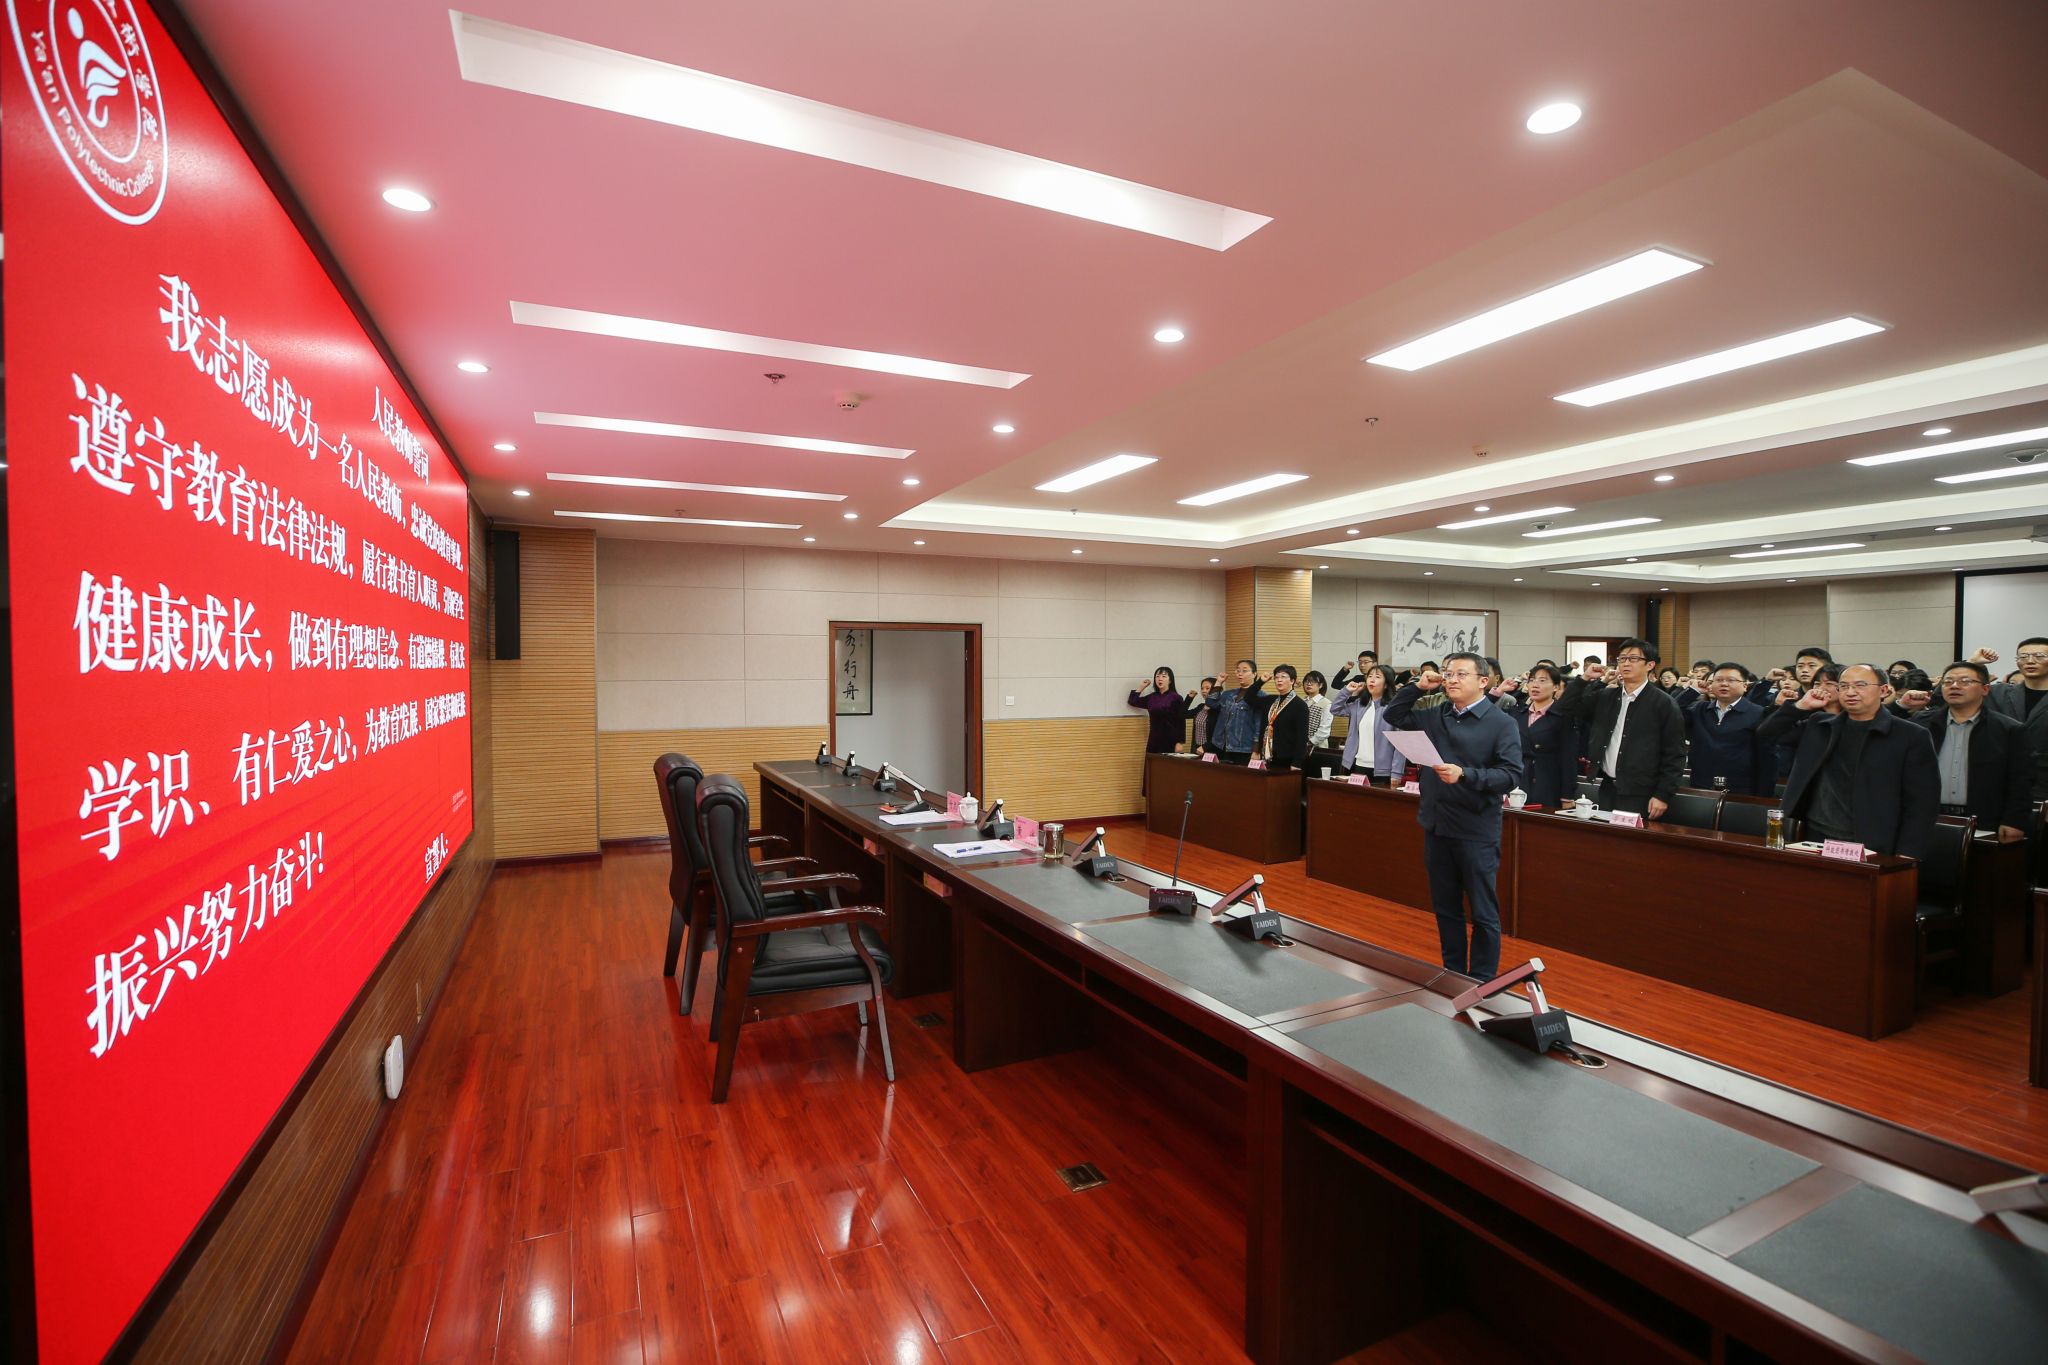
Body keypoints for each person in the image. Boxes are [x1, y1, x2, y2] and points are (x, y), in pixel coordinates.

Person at [1383, 653, 1523, 979]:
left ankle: (1482, 980)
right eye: (1448, 674)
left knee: (1483, 911)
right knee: (1446, 908)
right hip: (1437, 823)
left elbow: (1510, 775)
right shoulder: (1437, 714)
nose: (1452, 679)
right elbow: (1394, 714)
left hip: (1476, 828)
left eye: (1461, 674)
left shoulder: (1501, 723)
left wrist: (1465, 774)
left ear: (1483, 681)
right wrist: (1418, 687)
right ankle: (1453, 974)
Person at [1759, 663, 1937, 857]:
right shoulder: (1821, 724)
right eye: (1843, 686)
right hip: (1815, 833)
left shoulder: (1910, 735)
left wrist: (1908, 852)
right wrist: (1799, 706)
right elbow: (1766, 734)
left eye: (1860, 685)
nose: (1850, 692)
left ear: (1884, 690)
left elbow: (1922, 801)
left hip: (1872, 839)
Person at [1903, 661, 2033, 841]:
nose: (1954, 686)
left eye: (1965, 681)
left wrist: (2014, 820)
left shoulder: (2008, 729)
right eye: (1948, 682)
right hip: (1926, 817)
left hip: (1985, 820)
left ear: (1985, 689)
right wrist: (1901, 705)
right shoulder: (1922, 724)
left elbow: (2021, 781)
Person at [1580, 637, 1686, 817]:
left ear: (1650, 665)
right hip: (1608, 786)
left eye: (1633, 659)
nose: (1626, 663)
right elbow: (1569, 708)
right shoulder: (1607, 696)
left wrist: (1663, 795)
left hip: (1642, 793)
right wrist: (1588, 679)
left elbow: (1675, 754)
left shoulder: (1664, 703)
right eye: (1622, 659)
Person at [1969, 639, 2048, 800]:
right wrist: (1973, 663)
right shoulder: (1998, 693)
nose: (2030, 661)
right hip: (1999, 784)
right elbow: (1944, 700)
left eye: (2039, 656)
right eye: (2023, 656)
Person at [1676, 662, 1770, 794]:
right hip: (1701, 783)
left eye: (1731, 680)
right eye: (1718, 680)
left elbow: (1767, 755)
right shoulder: (1700, 709)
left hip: (1741, 787)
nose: (1724, 684)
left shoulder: (1758, 713)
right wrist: (1693, 691)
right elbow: (1671, 713)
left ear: (1745, 686)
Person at [1514, 663, 1588, 808]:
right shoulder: (1518, 714)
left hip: (1548, 785)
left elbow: (1569, 758)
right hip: (1519, 785)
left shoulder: (1563, 716)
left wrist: (1567, 796)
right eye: (1532, 680)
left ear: (1555, 687)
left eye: (1542, 681)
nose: (1535, 685)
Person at [1332, 663, 1396, 781]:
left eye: (1377, 677)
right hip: (1358, 764)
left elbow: (1399, 746)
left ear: (1386, 684)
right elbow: (1335, 709)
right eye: (1370, 676)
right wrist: (1347, 691)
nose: (1372, 679)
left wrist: (1397, 774)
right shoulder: (1359, 704)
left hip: (1383, 770)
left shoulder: (1393, 709)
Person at [1204, 659, 1267, 765]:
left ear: (1254, 674)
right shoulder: (1228, 694)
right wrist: (1219, 682)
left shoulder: (1260, 696)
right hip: (1221, 745)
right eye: (1238, 671)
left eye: (1244, 671)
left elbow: (1259, 725)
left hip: (1243, 748)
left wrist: (1256, 750)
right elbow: (1210, 702)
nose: (1240, 673)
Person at [1259, 665, 1313, 770]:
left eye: (1283, 677)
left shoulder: (1300, 705)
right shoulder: (1272, 700)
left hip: (1288, 758)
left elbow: (1302, 737)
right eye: (1276, 677)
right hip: (1269, 755)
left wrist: (1297, 763)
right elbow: (1249, 698)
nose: (1279, 680)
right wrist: (1261, 681)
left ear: (1292, 681)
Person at [1127, 667, 1187, 756]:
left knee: (1168, 764)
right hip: (1153, 739)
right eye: (1157, 676)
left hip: (1171, 739)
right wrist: (1142, 687)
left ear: (1170, 680)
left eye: (1164, 676)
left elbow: (1181, 721)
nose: (1160, 679)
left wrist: (1180, 742)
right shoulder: (1152, 697)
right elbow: (1133, 701)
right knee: (1152, 762)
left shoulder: (1176, 698)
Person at [1301, 669, 1334, 768]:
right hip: (1301, 747)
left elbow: (1324, 730)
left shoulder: (1326, 703)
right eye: (1306, 681)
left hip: (1318, 748)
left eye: (1313, 681)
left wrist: (1310, 742)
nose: (1309, 684)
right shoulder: (1302, 701)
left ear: (1321, 685)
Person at [1187, 676, 1218, 752]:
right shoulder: (1201, 707)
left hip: (1211, 750)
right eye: (1202, 688)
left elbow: (1219, 735)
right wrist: (1189, 698)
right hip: (1197, 749)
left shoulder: (1219, 709)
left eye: (1207, 688)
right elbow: (1182, 714)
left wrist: (1204, 747)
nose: (1204, 691)